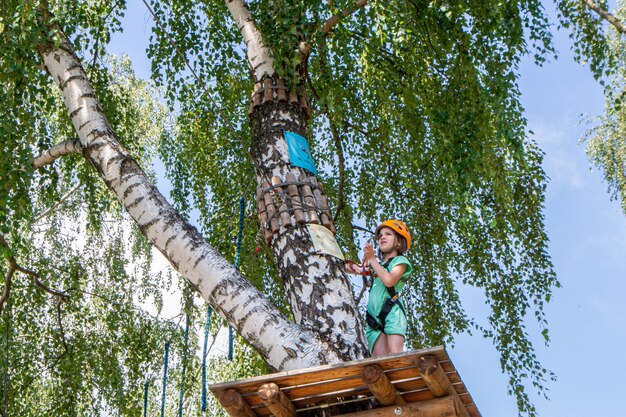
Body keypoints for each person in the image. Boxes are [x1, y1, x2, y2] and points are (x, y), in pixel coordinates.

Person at [346, 220, 412, 356]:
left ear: (399, 242)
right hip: (374, 321)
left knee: (395, 356)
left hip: (392, 313)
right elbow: (357, 269)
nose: (382, 237)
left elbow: (389, 280)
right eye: (381, 235)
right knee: (378, 362)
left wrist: (372, 259)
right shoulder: (377, 266)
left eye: (388, 234)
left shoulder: (400, 262)